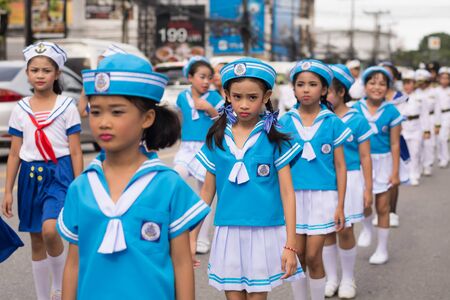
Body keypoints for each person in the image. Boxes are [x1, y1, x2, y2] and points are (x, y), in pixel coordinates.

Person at [57, 53, 210, 300]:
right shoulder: (81, 187)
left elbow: (182, 264)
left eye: (117, 112)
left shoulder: (168, 185)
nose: (103, 122)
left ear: (147, 118)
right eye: (96, 112)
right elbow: (73, 263)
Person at [192, 57, 303, 299]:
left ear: (266, 97)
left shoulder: (275, 137)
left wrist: (291, 244)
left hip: (264, 230)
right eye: (237, 96)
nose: (244, 104)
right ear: (227, 95)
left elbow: (287, 192)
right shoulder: (217, 137)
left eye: (252, 97)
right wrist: (192, 238)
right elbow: (206, 193)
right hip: (228, 230)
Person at [1, 41, 83, 300]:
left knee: (50, 229)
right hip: (29, 176)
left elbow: (77, 151)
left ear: (57, 73)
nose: (40, 75)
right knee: (36, 238)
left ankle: (59, 288)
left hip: (59, 173)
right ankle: (42, 296)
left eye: (46, 70)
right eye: (34, 70)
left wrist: (80, 187)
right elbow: (14, 153)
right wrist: (8, 191)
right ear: (27, 73)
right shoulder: (21, 109)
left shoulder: (67, 106)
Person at [279, 59, 350, 300]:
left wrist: (341, 204)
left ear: (324, 90)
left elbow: (340, 166)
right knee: (296, 256)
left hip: (323, 197)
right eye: (300, 84)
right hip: (294, 198)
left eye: (312, 84)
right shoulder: (285, 122)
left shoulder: (332, 122)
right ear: (294, 89)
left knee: (312, 256)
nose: (306, 89)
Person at [322, 64, 373, 299]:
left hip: (351, 178)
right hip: (323, 179)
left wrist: (368, 188)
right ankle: (331, 278)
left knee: (345, 229)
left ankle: (348, 279)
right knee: (325, 232)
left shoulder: (357, 119)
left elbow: (364, 156)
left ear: (341, 92)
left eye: (328, 91)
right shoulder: (319, 118)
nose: (323, 96)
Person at [174, 56, 223, 254]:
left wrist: (211, 110)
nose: (205, 81)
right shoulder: (181, 97)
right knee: (175, 177)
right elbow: (178, 119)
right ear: (190, 77)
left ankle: (202, 238)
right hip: (186, 149)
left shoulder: (214, 98)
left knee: (207, 194)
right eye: (201, 77)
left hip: (207, 149)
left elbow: (223, 122)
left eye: (209, 77)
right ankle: (179, 226)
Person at [353, 66, 403, 265]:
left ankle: (382, 249)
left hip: (383, 162)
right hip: (359, 162)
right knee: (364, 203)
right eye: (372, 82)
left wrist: (396, 172)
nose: (377, 87)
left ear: (388, 88)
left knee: (383, 206)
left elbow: (395, 144)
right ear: (364, 86)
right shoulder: (354, 109)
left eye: (382, 84)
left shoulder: (392, 111)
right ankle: (366, 228)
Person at [377, 61, 410, 228]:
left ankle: (392, 211)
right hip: (376, 143)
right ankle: (380, 211)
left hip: (394, 141)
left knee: (392, 177)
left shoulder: (400, 98)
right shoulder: (373, 96)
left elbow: (401, 119)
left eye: (387, 74)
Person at [78, 44, 127, 118]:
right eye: (98, 67)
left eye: (102, 66)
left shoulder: (126, 91)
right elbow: (82, 112)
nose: (98, 71)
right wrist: (86, 86)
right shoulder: (100, 90)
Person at [399, 70, 430, 186]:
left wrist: (427, 130)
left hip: (416, 126)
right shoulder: (398, 96)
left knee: (415, 152)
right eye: (405, 83)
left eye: (410, 83)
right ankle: (405, 174)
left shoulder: (421, 96)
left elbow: (425, 114)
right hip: (403, 127)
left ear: (414, 83)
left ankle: (414, 174)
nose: (407, 85)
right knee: (403, 153)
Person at [435, 67, 450, 168]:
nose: (444, 80)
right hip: (437, 115)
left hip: (448, 114)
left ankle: (445, 158)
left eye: (447, 78)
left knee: (443, 137)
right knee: (438, 137)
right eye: (442, 78)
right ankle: (440, 156)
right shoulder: (435, 90)